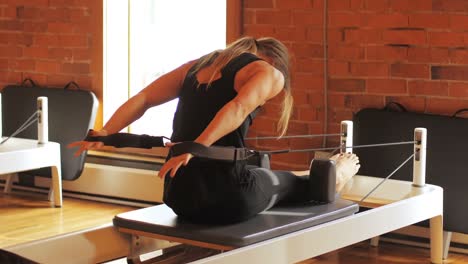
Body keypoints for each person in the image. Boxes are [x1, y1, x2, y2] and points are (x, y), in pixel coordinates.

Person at [69, 36, 360, 224]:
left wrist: (105, 133)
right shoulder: (268, 73)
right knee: (294, 185)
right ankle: (340, 172)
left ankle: (310, 173)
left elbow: (143, 100)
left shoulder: (194, 67)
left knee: (265, 174)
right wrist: (198, 147)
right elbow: (237, 108)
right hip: (229, 198)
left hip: (178, 198)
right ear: (271, 59)